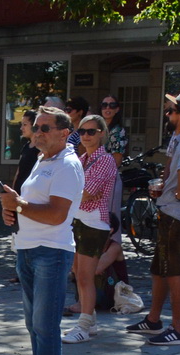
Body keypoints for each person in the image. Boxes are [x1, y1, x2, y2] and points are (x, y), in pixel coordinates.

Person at [0, 106, 83, 355]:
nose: (38, 132)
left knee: (45, 326)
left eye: (45, 128)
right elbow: (31, 205)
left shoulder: (67, 164)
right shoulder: (41, 160)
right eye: (36, 127)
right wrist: (11, 208)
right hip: (28, 248)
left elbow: (57, 214)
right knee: (34, 325)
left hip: (51, 250)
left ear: (64, 133)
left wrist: (18, 205)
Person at [132, 92, 180, 348]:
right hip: (172, 213)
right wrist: (168, 186)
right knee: (159, 270)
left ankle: (178, 329)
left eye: (170, 111)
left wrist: (178, 193)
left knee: (174, 272)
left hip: (177, 215)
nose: (167, 115)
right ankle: (153, 320)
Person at [64, 114, 117, 343]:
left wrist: (65, 195)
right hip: (80, 219)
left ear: (102, 134)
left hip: (94, 221)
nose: (86, 135)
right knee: (78, 274)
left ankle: (84, 326)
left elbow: (88, 193)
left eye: (91, 131)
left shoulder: (104, 160)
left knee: (85, 276)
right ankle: (90, 320)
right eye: (82, 131)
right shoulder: (82, 158)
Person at [99, 94, 128, 158]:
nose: (107, 108)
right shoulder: (96, 128)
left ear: (117, 109)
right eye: (104, 105)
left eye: (112, 105)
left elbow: (117, 161)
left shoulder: (119, 131)